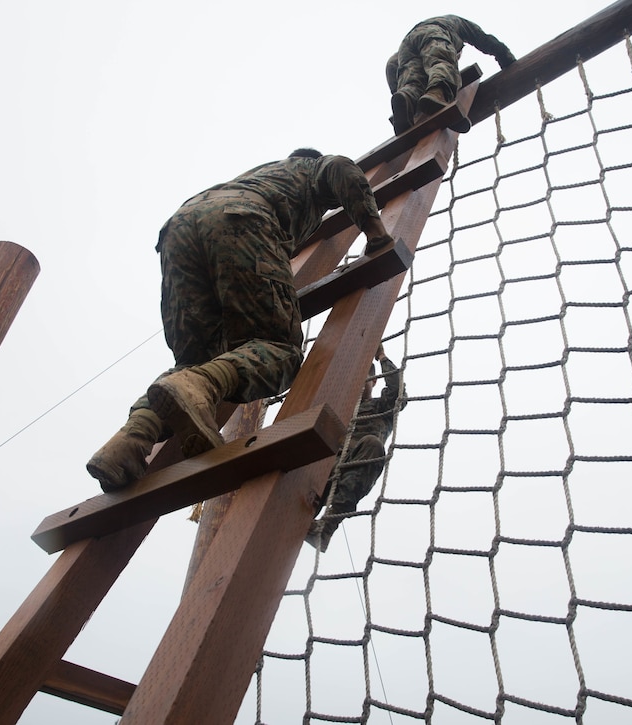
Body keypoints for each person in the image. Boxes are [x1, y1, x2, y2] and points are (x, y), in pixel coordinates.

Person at [86, 148, 394, 492]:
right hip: (241, 219)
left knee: (194, 363)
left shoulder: (264, 175)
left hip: (178, 231)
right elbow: (340, 168)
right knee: (278, 350)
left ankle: (129, 442)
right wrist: (376, 231)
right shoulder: (310, 169)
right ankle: (200, 387)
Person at [305, 344, 406, 552]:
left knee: (372, 445)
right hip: (321, 467)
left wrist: (381, 356)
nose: (358, 383)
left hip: (352, 467)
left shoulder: (380, 407)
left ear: (373, 381)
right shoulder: (338, 410)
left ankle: (327, 527)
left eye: (364, 377)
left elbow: (397, 391)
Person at [386, 15, 516, 135]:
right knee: (442, 63)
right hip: (434, 32)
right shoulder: (456, 22)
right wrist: (505, 56)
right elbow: (482, 38)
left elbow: (392, 65)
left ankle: (407, 97)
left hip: (405, 47)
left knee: (413, 82)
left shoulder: (417, 32)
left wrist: (398, 93)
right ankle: (438, 94)